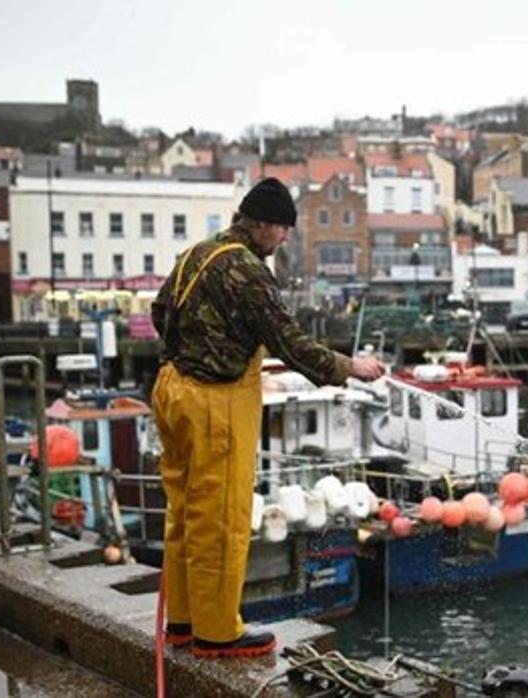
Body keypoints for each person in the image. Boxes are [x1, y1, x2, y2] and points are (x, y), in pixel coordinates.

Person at [151, 177, 384, 658]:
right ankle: (217, 633)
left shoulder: (198, 253)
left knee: (184, 512)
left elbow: (160, 313)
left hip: (172, 390)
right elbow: (289, 342)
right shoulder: (248, 270)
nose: (283, 239)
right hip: (215, 402)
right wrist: (350, 368)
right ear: (261, 224)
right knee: (221, 518)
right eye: (282, 229)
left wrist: (205, 343)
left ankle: (182, 621)